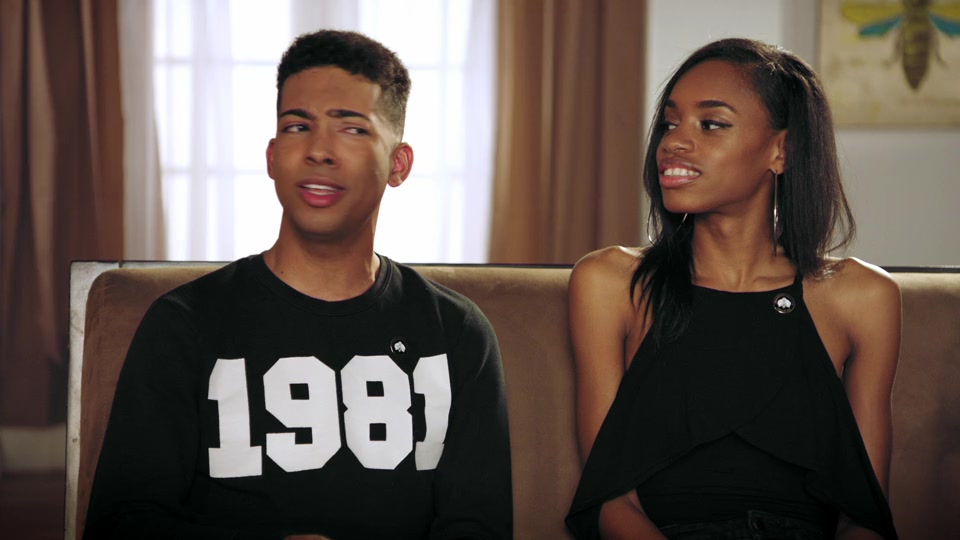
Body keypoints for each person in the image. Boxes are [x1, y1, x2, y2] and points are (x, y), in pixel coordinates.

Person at [84, 29, 512, 540]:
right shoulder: (183, 323)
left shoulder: (457, 333)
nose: (319, 151)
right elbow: (122, 523)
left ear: (398, 164)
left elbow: (479, 528)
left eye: (351, 129)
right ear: (272, 156)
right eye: (297, 126)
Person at [565, 38, 900, 540]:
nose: (674, 143)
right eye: (670, 123)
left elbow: (866, 518)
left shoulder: (863, 297)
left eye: (712, 124)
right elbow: (609, 501)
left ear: (782, 150)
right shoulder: (610, 283)